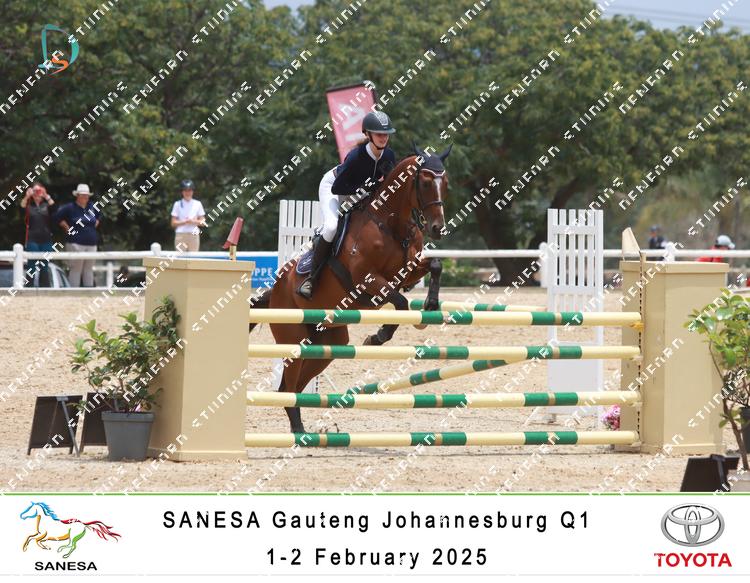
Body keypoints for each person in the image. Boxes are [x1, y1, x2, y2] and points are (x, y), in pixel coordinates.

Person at [296, 111, 397, 299]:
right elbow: (338, 187)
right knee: (331, 227)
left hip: (360, 194)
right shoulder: (356, 157)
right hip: (333, 188)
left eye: (386, 134)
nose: (383, 138)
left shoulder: (389, 155)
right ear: (368, 134)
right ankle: (311, 278)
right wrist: (366, 187)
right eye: (379, 134)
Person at [54, 183, 101, 287]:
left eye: (87, 195)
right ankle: (73, 292)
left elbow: (98, 218)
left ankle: (89, 292)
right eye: (83, 195)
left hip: (92, 244)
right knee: (76, 269)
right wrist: (67, 228)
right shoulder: (70, 207)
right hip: (75, 243)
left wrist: (92, 228)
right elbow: (57, 217)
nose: (85, 197)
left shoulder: (93, 206)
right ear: (77, 195)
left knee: (89, 269)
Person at [20, 182, 55, 286]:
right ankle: (29, 288)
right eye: (35, 191)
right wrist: (27, 196)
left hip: (46, 239)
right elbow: (21, 208)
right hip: (32, 239)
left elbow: (55, 209)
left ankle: (45, 289)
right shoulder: (28, 206)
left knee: (44, 265)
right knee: (31, 264)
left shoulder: (47, 205)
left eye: (39, 191)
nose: (37, 193)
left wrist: (46, 195)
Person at [170, 179, 205, 252]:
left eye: (189, 190)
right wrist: (185, 222)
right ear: (182, 192)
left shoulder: (198, 204)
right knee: (179, 258)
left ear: (192, 191)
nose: (187, 193)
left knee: (194, 258)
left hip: (194, 235)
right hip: (180, 234)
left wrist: (193, 221)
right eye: (185, 190)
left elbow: (203, 222)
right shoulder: (177, 204)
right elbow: (173, 223)